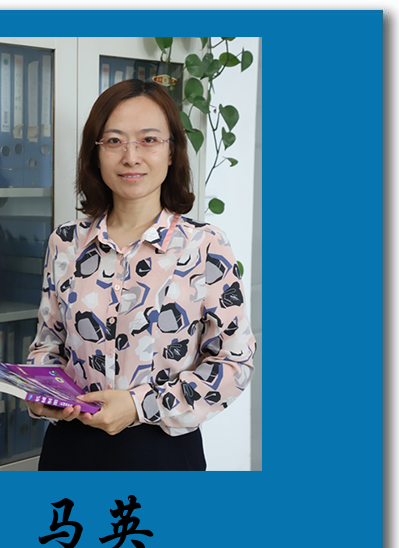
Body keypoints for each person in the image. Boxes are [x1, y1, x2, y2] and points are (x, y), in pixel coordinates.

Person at [26, 79, 256, 471]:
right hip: (69, 448)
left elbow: (234, 364)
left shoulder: (205, 246)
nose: (131, 156)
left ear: (172, 152)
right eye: (114, 141)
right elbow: (49, 343)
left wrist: (137, 406)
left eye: (149, 140)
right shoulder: (66, 243)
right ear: (96, 154)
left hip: (162, 451)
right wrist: (40, 392)